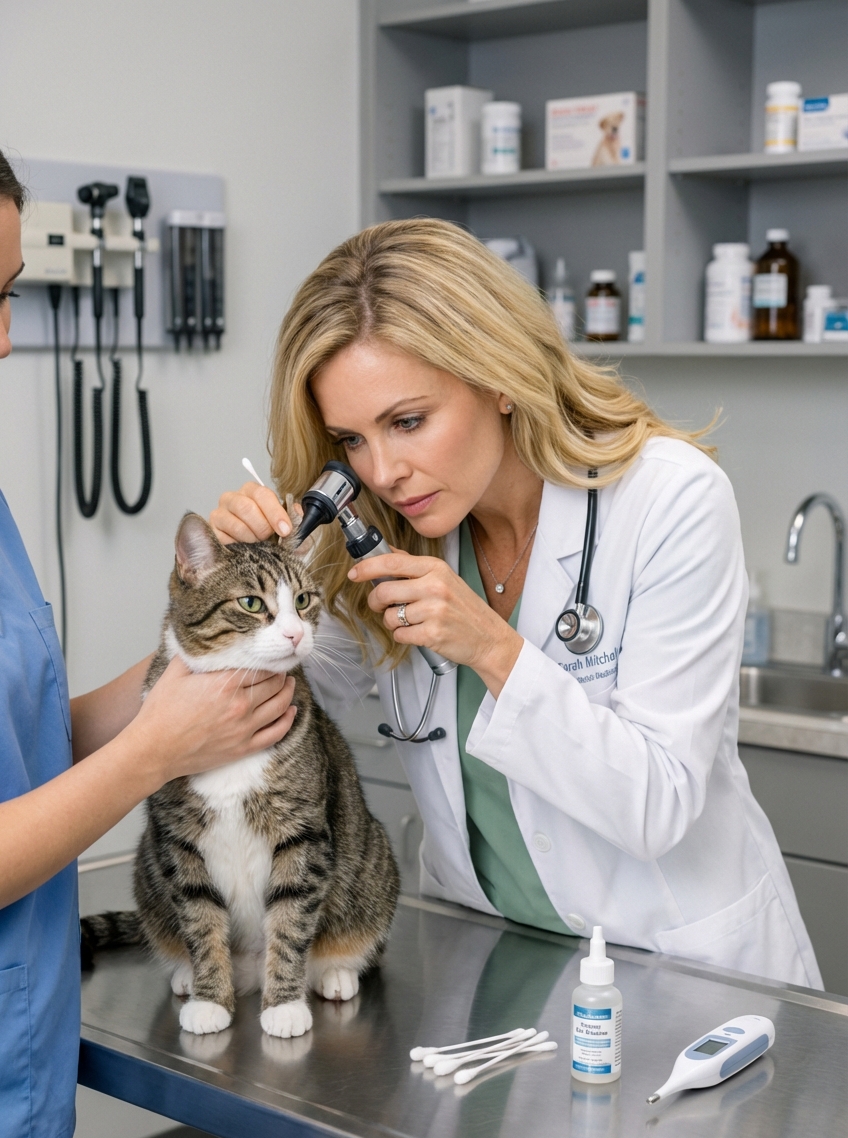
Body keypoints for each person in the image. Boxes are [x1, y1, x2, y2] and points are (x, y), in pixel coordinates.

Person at [214, 218, 820, 997]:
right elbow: (255, 718)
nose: (386, 470)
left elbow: (659, 806)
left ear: (497, 377)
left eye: (408, 421)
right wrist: (235, 590)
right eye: (352, 441)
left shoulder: (670, 499)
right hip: (488, 961)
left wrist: (493, 650)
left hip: (679, 972)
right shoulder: (384, 537)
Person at [0, 152, 298, 1138]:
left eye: (14, 291)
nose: (7, 340)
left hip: (23, 1071)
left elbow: (33, 739)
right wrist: (156, 754)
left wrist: (186, 656)